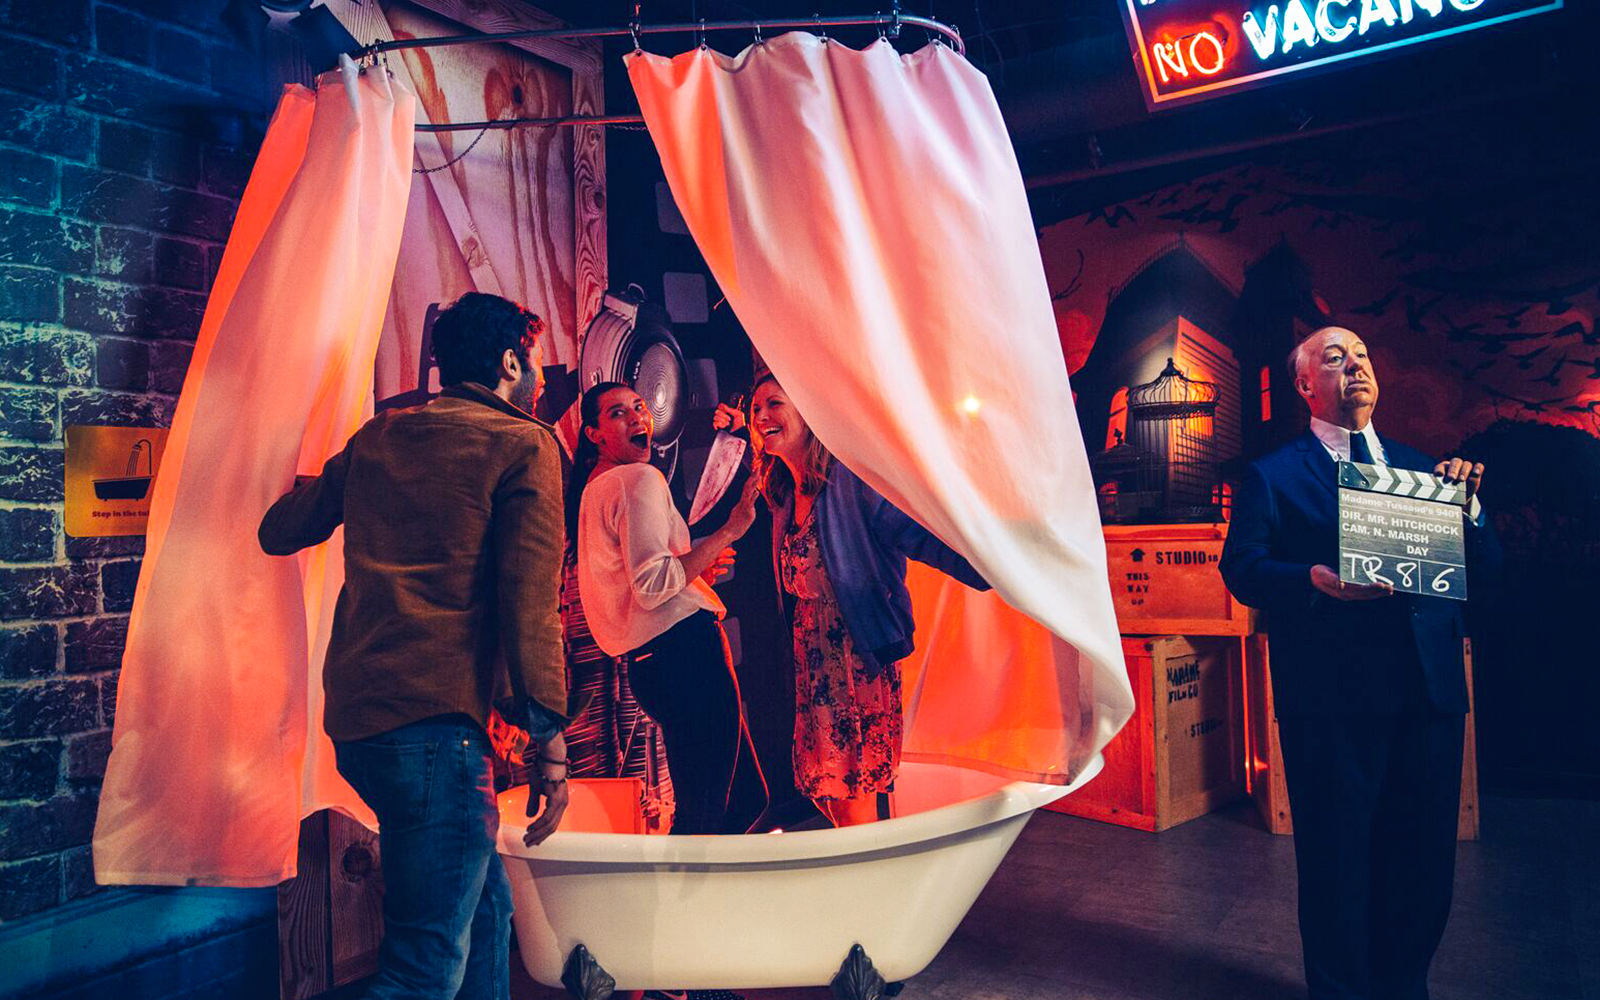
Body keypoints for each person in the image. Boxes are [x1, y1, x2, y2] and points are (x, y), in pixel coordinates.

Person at [259, 292, 570, 1000]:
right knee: (420, 970)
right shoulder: (523, 444)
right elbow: (531, 605)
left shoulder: (379, 438)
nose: (542, 374)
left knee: (488, 913)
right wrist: (550, 740)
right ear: (508, 361)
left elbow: (280, 530)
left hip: (363, 723)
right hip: (435, 735)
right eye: (535, 358)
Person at [1219, 326, 1499, 1000]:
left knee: (1425, 858)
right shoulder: (1272, 474)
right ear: (1305, 383)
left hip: (1427, 692)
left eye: (1364, 355)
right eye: (1335, 357)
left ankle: (1406, 986)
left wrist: (1473, 507)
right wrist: (1312, 578)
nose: (1355, 366)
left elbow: (1484, 569)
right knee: (1337, 859)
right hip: (1332, 696)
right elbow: (1242, 567)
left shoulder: (1425, 469)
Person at [738, 372, 990, 828]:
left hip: (856, 657)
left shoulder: (852, 481)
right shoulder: (781, 491)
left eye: (774, 403)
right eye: (755, 409)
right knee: (825, 789)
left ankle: (870, 887)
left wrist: (992, 566)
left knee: (852, 790)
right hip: (812, 657)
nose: (761, 417)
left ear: (808, 413)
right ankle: (864, 877)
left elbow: (917, 533)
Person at [570, 381, 763, 835]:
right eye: (618, 413)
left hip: (655, 666)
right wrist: (729, 532)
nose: (638, 417)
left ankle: (709, 897)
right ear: (594, 434)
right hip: (686, 656)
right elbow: (653, 584)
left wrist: (695, 570)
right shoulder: (638, 478)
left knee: (735, 799)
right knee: (709, 813)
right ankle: (694, 902)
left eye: (639, 407)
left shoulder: (595, 489)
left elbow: (636, 583)